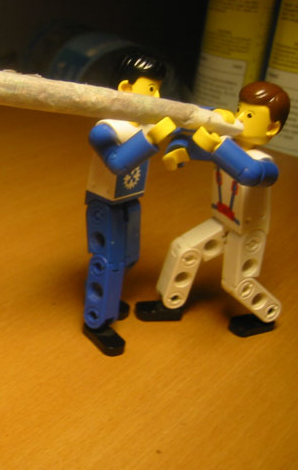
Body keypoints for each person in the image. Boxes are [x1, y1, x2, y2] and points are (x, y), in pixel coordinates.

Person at [136, 81, 290, 337]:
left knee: (237, 283)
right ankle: (170, 302)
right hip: (222, 220)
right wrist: (180, 148)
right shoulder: (228, 148)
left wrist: (218, 146)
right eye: (239, 110)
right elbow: (193, 143)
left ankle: (268, 312)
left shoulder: (263, 163)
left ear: (271, 127)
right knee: (184, 249)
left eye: (249, 115)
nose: (239, 118)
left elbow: (249, 173)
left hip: (246, 231)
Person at [83, 53, 175, 355]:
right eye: (151, 89)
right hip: (105, 203)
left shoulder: (144, 125)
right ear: (125, 88)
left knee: (129, 257)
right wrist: (153, 138)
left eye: (158, 89)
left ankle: (109, 298)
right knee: (108, 260)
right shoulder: (106, 129)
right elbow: (117, 163)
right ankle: (97, 320)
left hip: (130, 199)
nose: (157, 97)